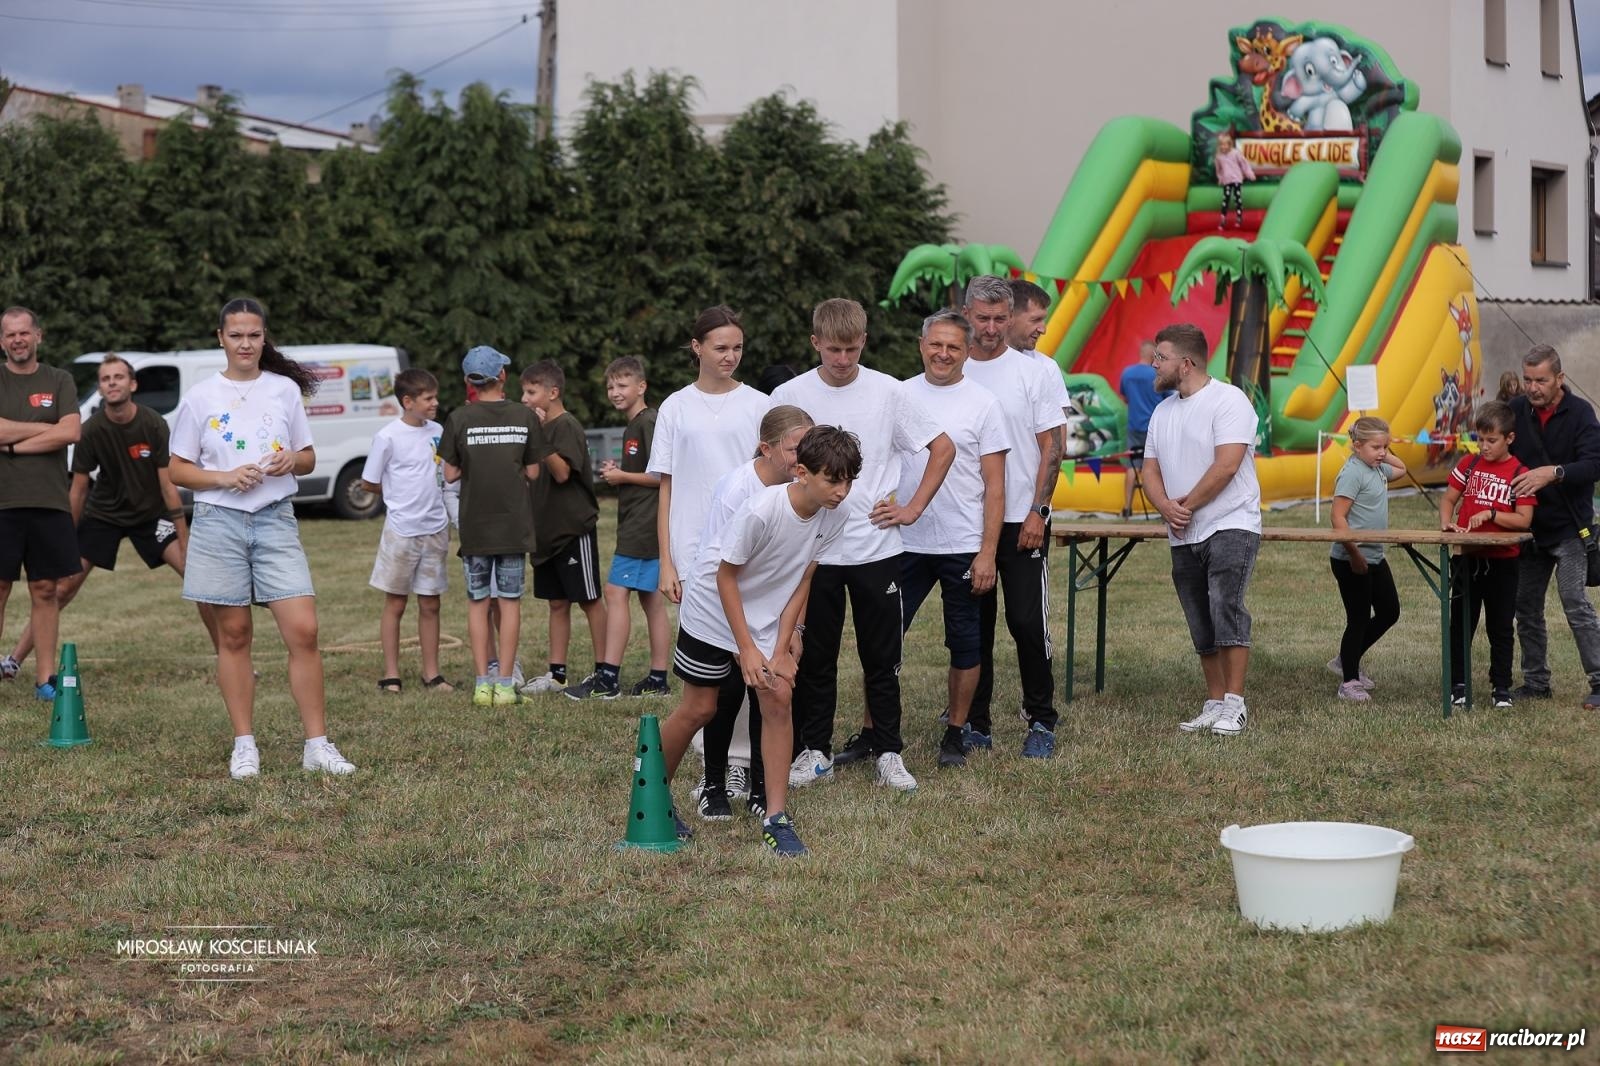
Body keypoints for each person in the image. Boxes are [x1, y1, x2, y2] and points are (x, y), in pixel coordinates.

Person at [167, 297, 356, 778]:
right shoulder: (200, 396)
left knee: (304, 630)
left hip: (275, 519)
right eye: (236, 335)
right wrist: (225, 477)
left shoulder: (284, 390)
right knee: (233, 636)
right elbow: (178, 469)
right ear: (220, 339)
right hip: (218, 522)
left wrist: (291, 460)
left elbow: (308, 457)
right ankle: (244, 745)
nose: (245, 344)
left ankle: (317, 746)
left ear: (264, 337)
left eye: (254, 335)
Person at [772, 298, 954, 791]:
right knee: (816, 656)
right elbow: (771, 461)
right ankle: (815, 750)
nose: (842, 359)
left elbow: (943, 448)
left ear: (864, 343)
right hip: (812, 552)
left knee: (882, 657)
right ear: (815, 343)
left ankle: (889, 752)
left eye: (852, 349)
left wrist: (912, 508)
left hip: (877, 548)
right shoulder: (789, 394)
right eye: (833, 350)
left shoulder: (889, 391)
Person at [659, 425, 859, 856]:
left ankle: (776, 817)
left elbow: (802, 578)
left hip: (764, 610)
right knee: (701, 707)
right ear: (802, 472)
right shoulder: (762, 510)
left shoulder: (836, 514)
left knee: (779, 697)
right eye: (832, 480)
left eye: (848, 481)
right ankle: (653, 797)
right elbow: (725, 577)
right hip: (712, 605)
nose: (842, 491)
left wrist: (783, 646)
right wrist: (747, 649)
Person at [5, 354, 219, 681]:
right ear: (101, 388)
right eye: (105, 379)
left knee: (197, 582)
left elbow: (167, 485)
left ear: (132, 384)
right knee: (60, 590)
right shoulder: (91, 430)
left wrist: (185, 539)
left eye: (118, 377)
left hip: (151, 516)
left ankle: (228, 657)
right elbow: (79, 489)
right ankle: (14, 661)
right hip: (104, 516)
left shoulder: (153, 424)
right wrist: (66, 537)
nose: (112, 383)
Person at [647, 306, 769, 799]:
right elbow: (666, 486)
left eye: (737, 347)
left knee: (748, 656)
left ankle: (740, 762)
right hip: (693, 552)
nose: (730, 356)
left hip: (747, 549)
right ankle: (709, 765)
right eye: (720, 347)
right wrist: (667, 560)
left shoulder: (759, 404)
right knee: (706, 669)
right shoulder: (675, 407)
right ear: (697, 347)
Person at [957, 276, 1067, 758]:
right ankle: (975, 722)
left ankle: (1041, 718)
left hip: (1022, 517)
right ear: (967, 314)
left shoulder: (1034, 372)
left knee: (1025, 622)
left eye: (1000, 318)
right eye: (983, 318)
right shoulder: (953, 367)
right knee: (973, 625)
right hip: (967, 522)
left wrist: (1038, 511)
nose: (991, 327)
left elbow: (1053, 447)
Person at [692, 404, 816, 820]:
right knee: (725, 693)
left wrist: (794, 629)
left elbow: (802, 569)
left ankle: (762, 788)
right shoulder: (738, 491)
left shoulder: (805, 489)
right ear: (766, 448)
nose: (803, 457)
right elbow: (721, 570)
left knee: (770, 690)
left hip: (772, 607)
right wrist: (742, 643)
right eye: (795, 449)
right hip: (724, 607)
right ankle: (713, 784)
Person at [896, 310, 1007, 769]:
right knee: (884, 639)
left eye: (953, 347)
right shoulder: (898, 395)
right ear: (921, 345)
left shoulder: (984, 403)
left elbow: (995, 486)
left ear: (967, 352)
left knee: (965, 643)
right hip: (902, 542)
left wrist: (987, 552)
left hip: (962, 542)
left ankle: (956, 733)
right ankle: (875, 732)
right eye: (936, 345)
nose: (943, 354)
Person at [1141, 322, 1262, 736]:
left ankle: (1235, 704)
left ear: (1186, 363)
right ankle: (1214, 702)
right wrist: (1165, 507)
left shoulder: (1229, 400)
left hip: (1231, 523)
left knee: (1225, 606)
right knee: (1199, 617)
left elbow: (1226, 466)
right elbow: (1150, 469)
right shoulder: (1162, 412)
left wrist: (1184, 507)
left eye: (1161, 357)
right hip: (1183, 531)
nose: (1153, 364)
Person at [437, 345, 547, 708]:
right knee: (510, 603)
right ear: (502, 376)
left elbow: (450, 473)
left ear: (468, 381)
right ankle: (505, 686)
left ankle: (482, 684)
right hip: (513, 526)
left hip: (475, 527)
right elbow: (534, 471)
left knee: (478, 603)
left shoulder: (458, 418)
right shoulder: (524, 415)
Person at [1506, 344, 1600, 706]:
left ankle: (1599, 681)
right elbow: (1496, 450)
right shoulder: (1515, 410)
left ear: (1559, 378)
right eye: (1528, 379)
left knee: (1574, 602)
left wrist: (1554, 472)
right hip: (1529, 529)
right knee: (1525, 607)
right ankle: (1536, 682)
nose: (1532, 388)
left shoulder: (1581, 413)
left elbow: (1594, 465)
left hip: (1570, 529)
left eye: (1541, 380)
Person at [0, 307, 82, 699]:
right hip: (3, 501)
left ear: (38, 336)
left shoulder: (59, 379)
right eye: (10, 334)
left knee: (46, 588)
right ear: (2, 341)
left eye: (24, 332)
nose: (17, 340)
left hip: (49, 500)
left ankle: (45, 679)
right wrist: (43, 428)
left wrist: (13, 443)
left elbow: (71, 432)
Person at [518, 361, 610, 699]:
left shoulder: (566, 425)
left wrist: (539, 434)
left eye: (531, 392)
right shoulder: (538, 429)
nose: (524, 399)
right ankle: (556, 674)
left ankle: (605, 671)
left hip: (573, 530)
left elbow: (561, 474)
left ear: (553, 392)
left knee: (588, 600)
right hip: (546, 534)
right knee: (556, 603)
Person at [359, 367, 453, 695]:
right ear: (408, 401)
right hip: (401, 530)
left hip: (435, 528)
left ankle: (432, 673)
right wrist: (398, 495)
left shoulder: (439, 431)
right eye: (428, 398)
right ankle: (391, 674)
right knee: (396, 603)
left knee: (430, 603)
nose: (435, 403)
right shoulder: (388, 437)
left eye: (435, 397)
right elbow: (369, 481)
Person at [1439, 401, 1535, 708]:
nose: (1484, 446)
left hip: (1503, 562)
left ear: (1509, 438)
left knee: (1501, 626)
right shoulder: (1468, 464)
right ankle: (1458, 683)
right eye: (1480, 439)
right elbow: (1448, 499)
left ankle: (1501, 687)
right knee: (1460, 624)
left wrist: (1492, 513)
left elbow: (1524, 520)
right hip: (1466, 558)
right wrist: (1447, 524)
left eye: (1491, 440)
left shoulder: (1521, 473)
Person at [589, 356, 671, 698]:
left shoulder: (648, 422)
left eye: (622, 385)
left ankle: (608, 679)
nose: (614, 392)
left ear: (641, 386)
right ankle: (658, 679)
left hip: (643, 524)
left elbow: (662, 475)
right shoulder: (634, 425)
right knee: (651, 600)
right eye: (610, 386)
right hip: (641, 522)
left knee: (615, 592)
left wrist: (621, 476)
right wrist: (620, 472)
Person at [1326, 416, 1406, 701]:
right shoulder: (1353, 473)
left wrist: (1381, 451)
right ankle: (1349, 682)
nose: (1382, 453)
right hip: (1351, 558)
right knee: (1358, 618)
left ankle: (1347, 657)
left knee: (1389, 611)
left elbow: (1402, 469)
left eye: (1385, 446)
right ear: (1357, 446)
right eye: (1376, 447)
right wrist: (1354, 554)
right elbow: (1338, 517)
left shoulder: (1377, 467)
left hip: (1375, 555)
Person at [1119, 341, 1165, 519]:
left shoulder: (1127, 373)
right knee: (1159, 467)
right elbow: (1168, 399)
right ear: (1154, 355)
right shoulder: (1157, 373)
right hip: (1154, 427)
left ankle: (1127, 508)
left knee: (1133, 466)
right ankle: (1163, 508)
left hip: (1134, 427)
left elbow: (1124, 398)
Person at [1214, 131, 1255, 229]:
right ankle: (1223, 219)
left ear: (1229, 144)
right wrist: (1220, 178)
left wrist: (1249, 173)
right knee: (1226, 199)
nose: (1223, 147)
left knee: (1237, 198)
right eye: (1221, 145)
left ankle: (1239, 217)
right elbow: (1218, 169)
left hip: (1236, 178)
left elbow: (1243, 164)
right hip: (1226, 180)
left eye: (1225, 145)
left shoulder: (1235, 153)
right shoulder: (1219, 157)